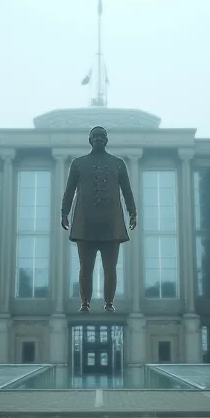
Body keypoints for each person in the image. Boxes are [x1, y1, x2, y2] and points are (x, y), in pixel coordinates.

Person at [61, 126, 137, 312]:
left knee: (110, 268)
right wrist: (64, 212)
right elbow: (69, 190)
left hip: (111, 223)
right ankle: (85, 303)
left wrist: (132, 212)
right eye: (95, 136)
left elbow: (127, 190)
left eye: (102, 136)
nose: (99, 138)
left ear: (107, 139)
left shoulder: (118, 163)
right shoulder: (78, 164)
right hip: (85, 222)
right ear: (90, 139)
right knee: (85, 267)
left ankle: (109, 303)